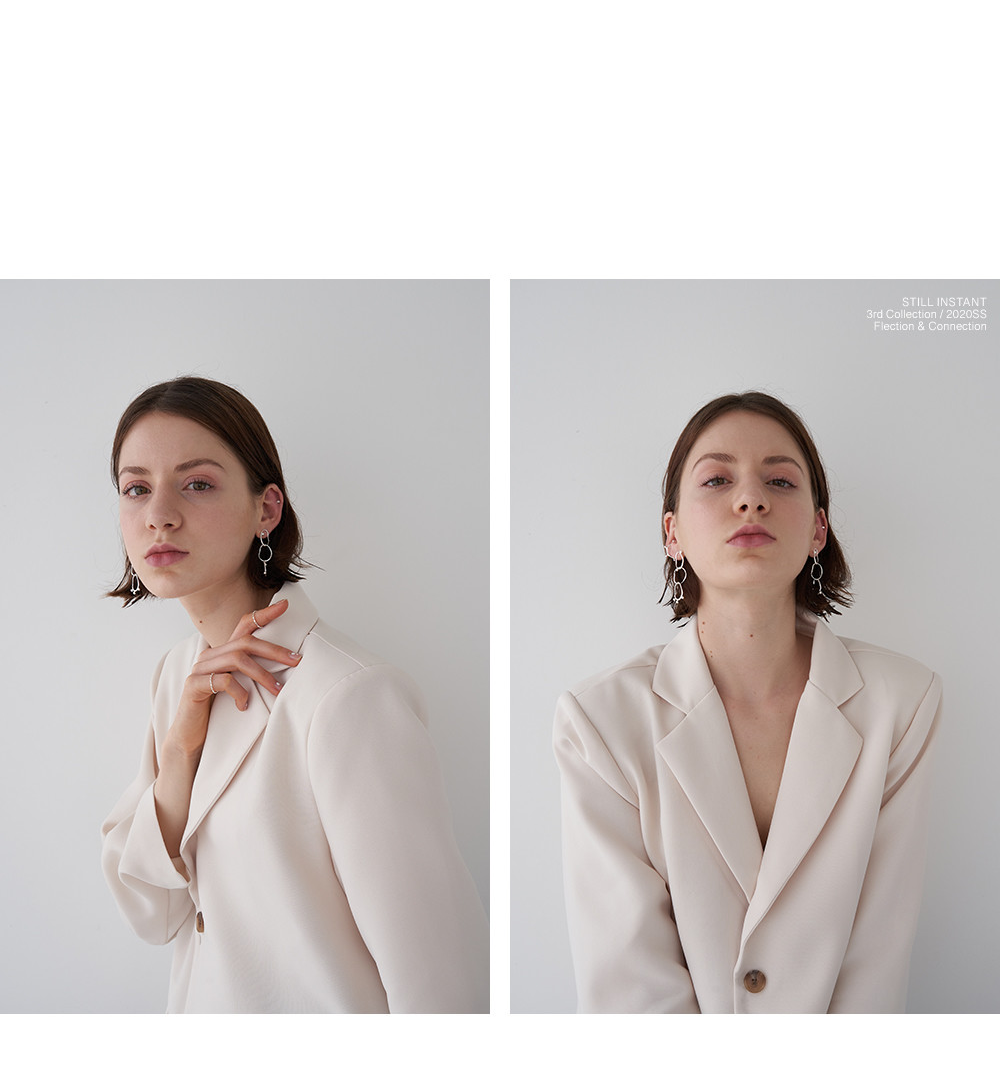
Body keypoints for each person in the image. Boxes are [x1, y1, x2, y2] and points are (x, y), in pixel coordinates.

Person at [101, 373, 487, 1013]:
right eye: (136, 488)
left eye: (197, 484)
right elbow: (151, 912)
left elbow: (438, 983)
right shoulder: (175, 678)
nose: (158, 514)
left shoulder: (348, 695)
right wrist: (180, 753)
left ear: (267, 509)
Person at [553, 389, 941, 1013]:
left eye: (780, 481)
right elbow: (629, 986)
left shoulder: (903, 702)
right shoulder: (599, 721)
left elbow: (877, 959)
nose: (751, 499)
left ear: (818, 530)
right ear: (672, 532)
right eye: (717, 479)